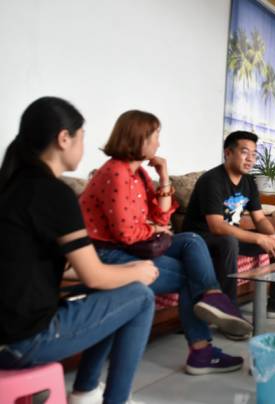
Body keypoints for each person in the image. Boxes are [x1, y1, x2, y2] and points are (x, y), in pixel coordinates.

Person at [0, 97, 158, 404]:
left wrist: (123, 271)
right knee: (140, 296)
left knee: (115, 290)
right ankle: (113, 398)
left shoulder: (10, 185)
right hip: (23, 340)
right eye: (82, 137)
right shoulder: (54, 193)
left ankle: (85, 390)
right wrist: (137, 271)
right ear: (64, 138)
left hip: (8, 332)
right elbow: (94, 276)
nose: (84, 147)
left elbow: (34, 265)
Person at [79, 110, 251, 375]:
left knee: (192, 240)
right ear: (138, 137)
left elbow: (161, 215)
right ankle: (202, 349)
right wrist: (154, 228)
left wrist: (164, 175)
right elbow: (126, 234)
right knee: (190, 274)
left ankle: (213, 297)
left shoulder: (138, 174)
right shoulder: (116, 173)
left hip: (134, 246)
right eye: (155, 136)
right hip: (107, 255)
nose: (158, 143)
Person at [182, 130, 275, 328]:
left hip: (229, 236)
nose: (250, 159)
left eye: (254, 154)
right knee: (229, 241)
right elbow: (217, 226)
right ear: (228, 153)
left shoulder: (249, 182)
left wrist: (271, 237)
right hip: (201, 239)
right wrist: (259, 239)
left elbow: (259, 218)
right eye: (245, 152)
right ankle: (229, 310)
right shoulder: (212, 181)